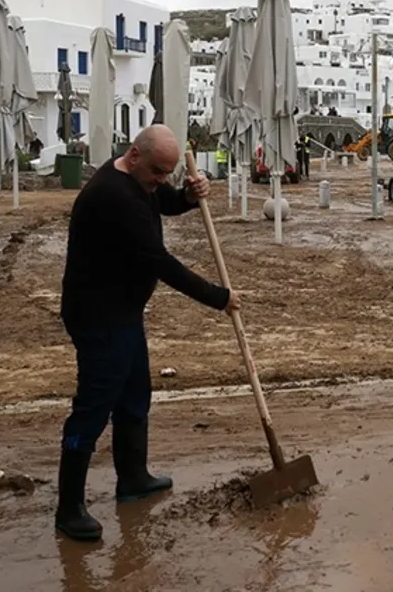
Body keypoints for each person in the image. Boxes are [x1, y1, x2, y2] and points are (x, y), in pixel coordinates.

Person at [55, 124, 240, 542]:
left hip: (124, 312)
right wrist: (218, 297)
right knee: (93, 407)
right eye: (158, 171)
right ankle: (69, 508)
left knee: (135, 395)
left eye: (168, 174)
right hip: (99, 317)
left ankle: (133, 477)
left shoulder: (133, 180)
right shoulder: (111, 196)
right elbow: (159, 261)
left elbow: (159, 202)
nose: (161, 181)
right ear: (135, 155)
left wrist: (187, 198)